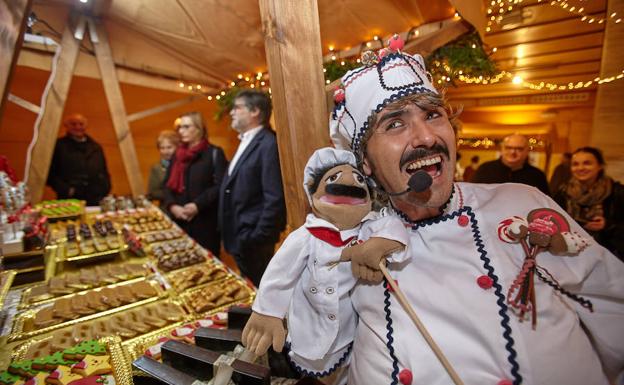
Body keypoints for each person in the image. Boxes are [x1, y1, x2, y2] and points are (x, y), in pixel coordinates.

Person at [295, 39, 624, 384]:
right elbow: (325, 357)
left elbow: (614, 307)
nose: (425, 137)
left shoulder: (520, 203)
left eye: (433, 115)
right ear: (365, 162)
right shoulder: (354, 246)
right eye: (395, 124)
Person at [218, 89, 286, 286]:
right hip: (240, 235)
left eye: (237, 108)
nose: (231, 112)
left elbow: (274, 196)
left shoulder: (267, 143)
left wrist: (257, 236)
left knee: (263, 292)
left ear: (255, 111)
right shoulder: (247, 141)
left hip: (253, 239)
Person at [163, 112, 227, 257]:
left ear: (199, 129)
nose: (180, 131)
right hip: (179, 221)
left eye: (186, 127)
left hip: (205, 224)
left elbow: (220, 186)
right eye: (180, 127)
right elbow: (166, 185)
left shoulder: (214, 153)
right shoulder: (177, 154)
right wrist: (173, 206)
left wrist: (197, 205)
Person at [553, 147, 624, 260]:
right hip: (569, 252)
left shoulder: (617, 192)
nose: (580, 168)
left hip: (607, 254)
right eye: (575, 164)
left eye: (587, 163)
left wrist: (607, 225)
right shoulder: (563, 192)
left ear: (600, 166)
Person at [47, 113, 111, 206]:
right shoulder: (58, 146)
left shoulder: (96, 147)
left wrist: (105, 188)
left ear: (86, 126)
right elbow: (50, 174)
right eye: (73, 124)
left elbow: (104, 171)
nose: (77, 127)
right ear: (66, 126)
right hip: (69, 201)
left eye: (81, 124)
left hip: (95, 198)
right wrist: (67, 190)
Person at [472, 134, 550, 195]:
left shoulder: (537, 176)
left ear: (527, 151)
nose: (513, 152)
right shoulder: (485, 169)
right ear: (502, 149)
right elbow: (473, 195)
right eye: (508, 148)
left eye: (519, 149)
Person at [147, 129, 180, 206]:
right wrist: (173, 195)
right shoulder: (156, 168)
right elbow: (153, 192)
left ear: (177, 147)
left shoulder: (184, 165)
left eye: (169, 147)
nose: (166, 151)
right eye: (162, 148)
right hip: (167, 209)